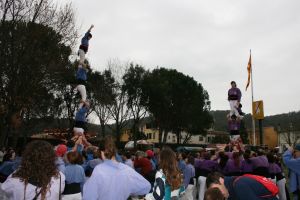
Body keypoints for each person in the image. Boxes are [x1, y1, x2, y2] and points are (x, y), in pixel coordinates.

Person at [83, 136, 151, 200]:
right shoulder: (127, 169)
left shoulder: (98, 170)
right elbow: (146, 187)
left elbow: (89, 196)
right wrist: (128, 189)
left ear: (101, 152)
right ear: (115, 152)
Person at [1, 140, 65, 200]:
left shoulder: (14, 181)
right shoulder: (60, 177)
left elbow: (4, 193)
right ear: (52, 157)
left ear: (27, 157)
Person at [206, 172, 278, 200]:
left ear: (221, 180)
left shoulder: (239, 185)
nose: (217, 193)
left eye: (216, 189)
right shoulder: (229, 190)